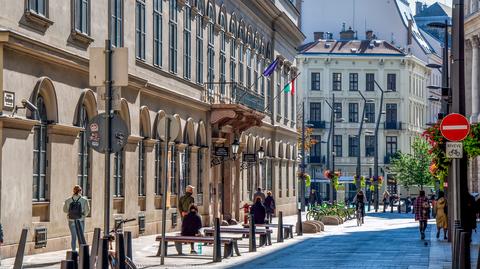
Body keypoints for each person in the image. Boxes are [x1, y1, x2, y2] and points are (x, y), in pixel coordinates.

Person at [63, 185, 90, 251]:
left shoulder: (68, 200)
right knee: (81, 236)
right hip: (80, 220)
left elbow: (65, 210)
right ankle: (82, 252)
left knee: (73, 237)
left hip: (71, 220)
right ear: (80, 191)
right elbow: (87, 210)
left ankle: (73, 251)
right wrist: (83, 216)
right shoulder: (84, 200)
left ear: (73, 191)